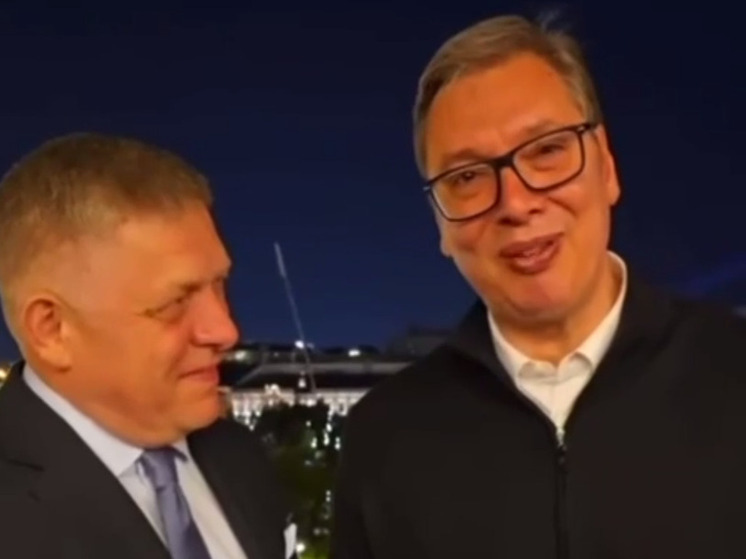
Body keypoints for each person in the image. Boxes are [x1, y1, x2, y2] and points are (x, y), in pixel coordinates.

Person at [330, 13, 746, 559]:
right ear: (439, 224)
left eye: (546, 150)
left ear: (607, 167)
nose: (516, 203)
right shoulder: (383, 439)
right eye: (468, 177)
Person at [0, 134, 296, 559]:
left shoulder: (239, 454)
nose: (225, 331)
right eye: (174, 303)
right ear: (52, 330)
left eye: (220, 286)